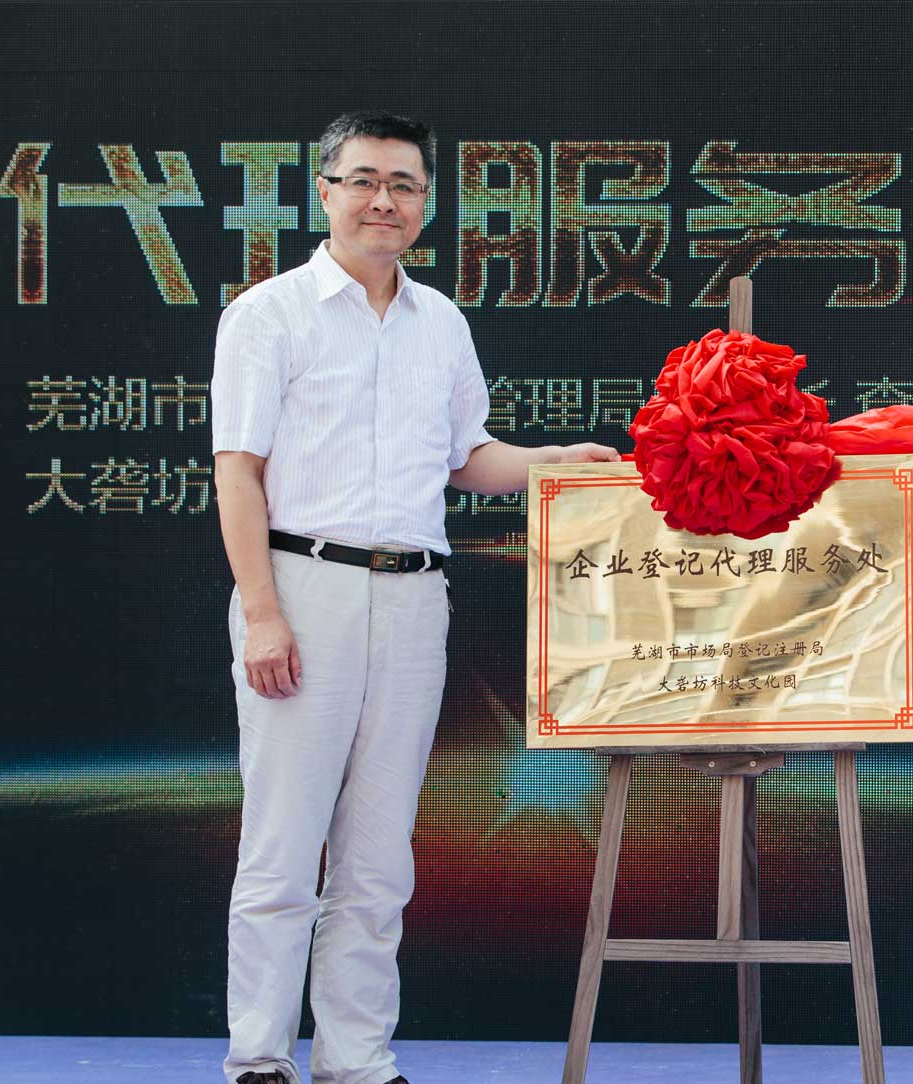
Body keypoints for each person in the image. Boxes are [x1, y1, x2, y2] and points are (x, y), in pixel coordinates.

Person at [210, 111, 618, 1084]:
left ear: (425, 203)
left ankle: (355, 1056)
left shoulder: (441, 321)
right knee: (283, 840)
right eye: (362, 180)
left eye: (402, 184)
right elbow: (238, 472)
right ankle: (258, 1055)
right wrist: (261, 612)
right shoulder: (269, 314)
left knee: (380, 849)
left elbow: (466, 457)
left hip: (412, 596)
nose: (381, 200)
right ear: (325, 191)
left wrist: (555, 460)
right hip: (302, 585)